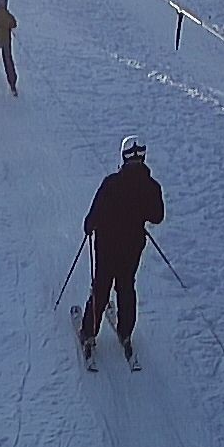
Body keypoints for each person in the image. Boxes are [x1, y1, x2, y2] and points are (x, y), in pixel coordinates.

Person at [79, 136, 165, 363]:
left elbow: (93, 215)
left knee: (101, 285)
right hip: (133, 245)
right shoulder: (152, 186)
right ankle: (126, 332)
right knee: (126, 285)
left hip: (106, 244)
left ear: (123, 157)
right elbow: (157, 216)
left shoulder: (111, 183)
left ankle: (89, 333)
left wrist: (90, 227)